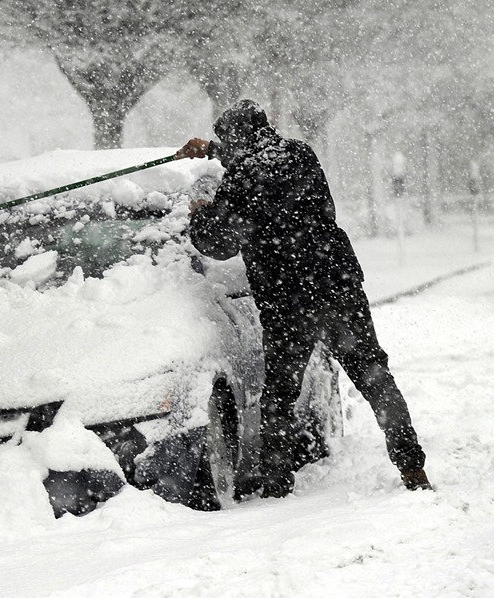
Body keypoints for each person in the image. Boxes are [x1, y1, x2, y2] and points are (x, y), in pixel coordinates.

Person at [176, 99, 432, 498]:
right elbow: (260, 164)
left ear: (237, 139)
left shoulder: (241, 179)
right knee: (374, 377)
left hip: (287, 301)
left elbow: (219, 244)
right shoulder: (299, 154)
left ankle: (277, 483)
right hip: (338, 286)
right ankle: (412, 467)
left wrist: (200, 214)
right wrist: (211, 150)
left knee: (280, 394)